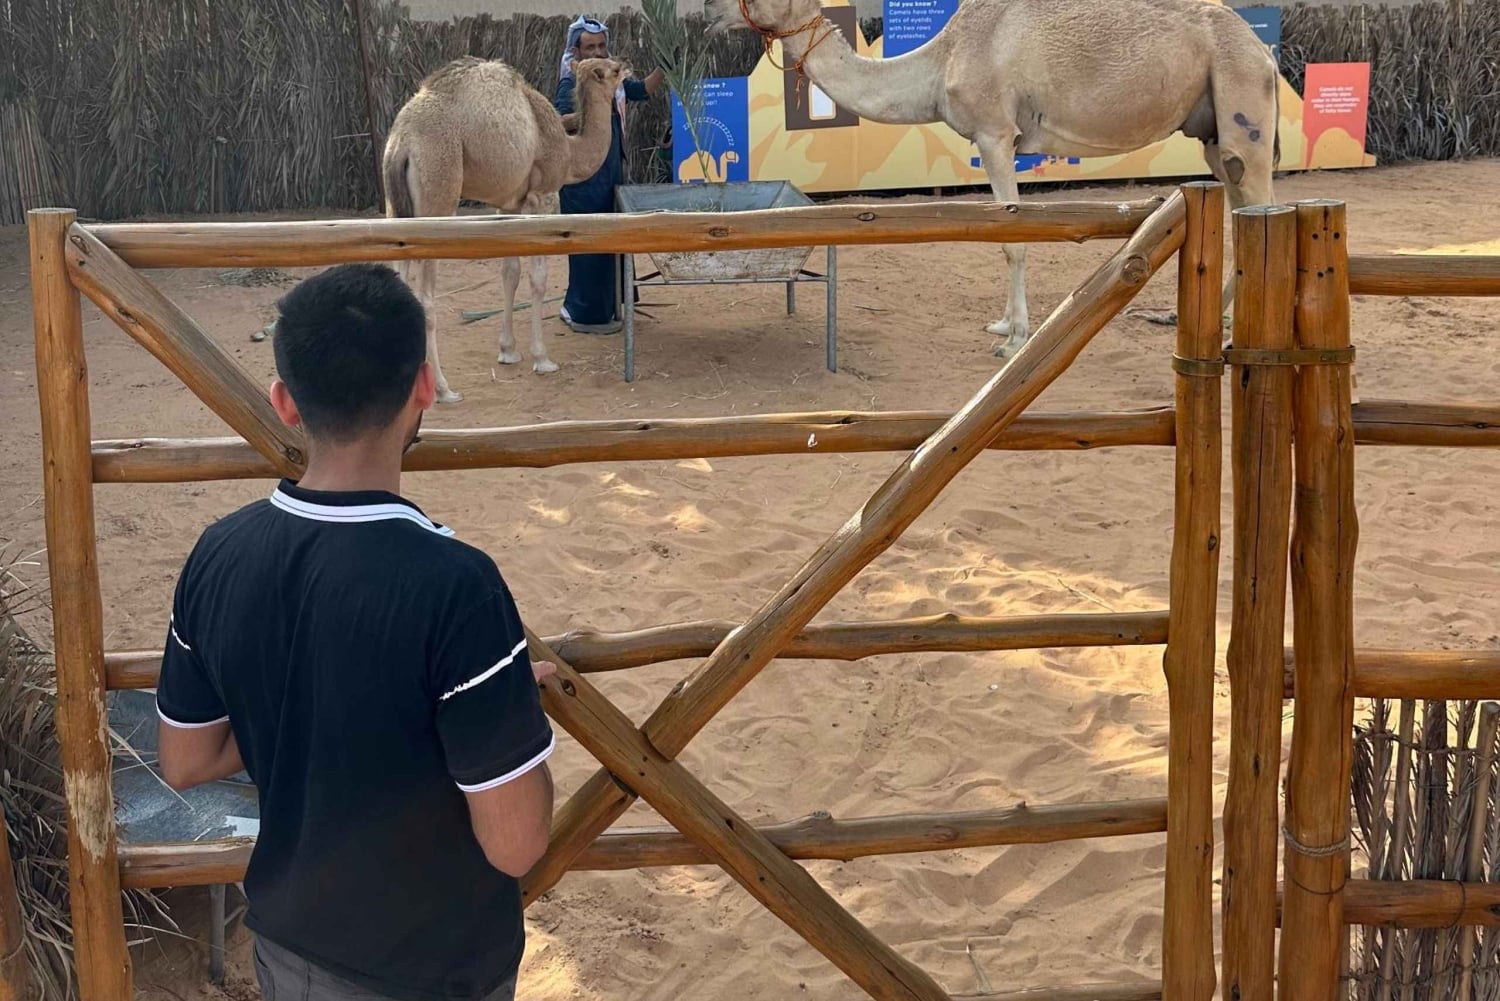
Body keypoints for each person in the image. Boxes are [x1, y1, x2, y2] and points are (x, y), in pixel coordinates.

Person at [154, 262, 556, 1001]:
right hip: (434, 969)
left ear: (284, 402)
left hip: (285, 947)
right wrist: (486, 712)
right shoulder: (459, 586)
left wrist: (317, 690)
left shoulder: (218, 552)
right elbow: (517, 842)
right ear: (423, 387)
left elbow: (185, 757)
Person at [553, 14, 665, 334]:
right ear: (576, 52)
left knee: (612, 243)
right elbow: (562, 124)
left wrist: (665, 67)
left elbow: (641, 90)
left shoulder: (611, 83)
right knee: (590, 246)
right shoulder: (570, 84)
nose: (598, 52)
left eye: (601, 46)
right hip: (584, 180)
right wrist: (592, 111)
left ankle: (611, 305)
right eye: (590, 47)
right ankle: (584, 314)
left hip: (611, 171)